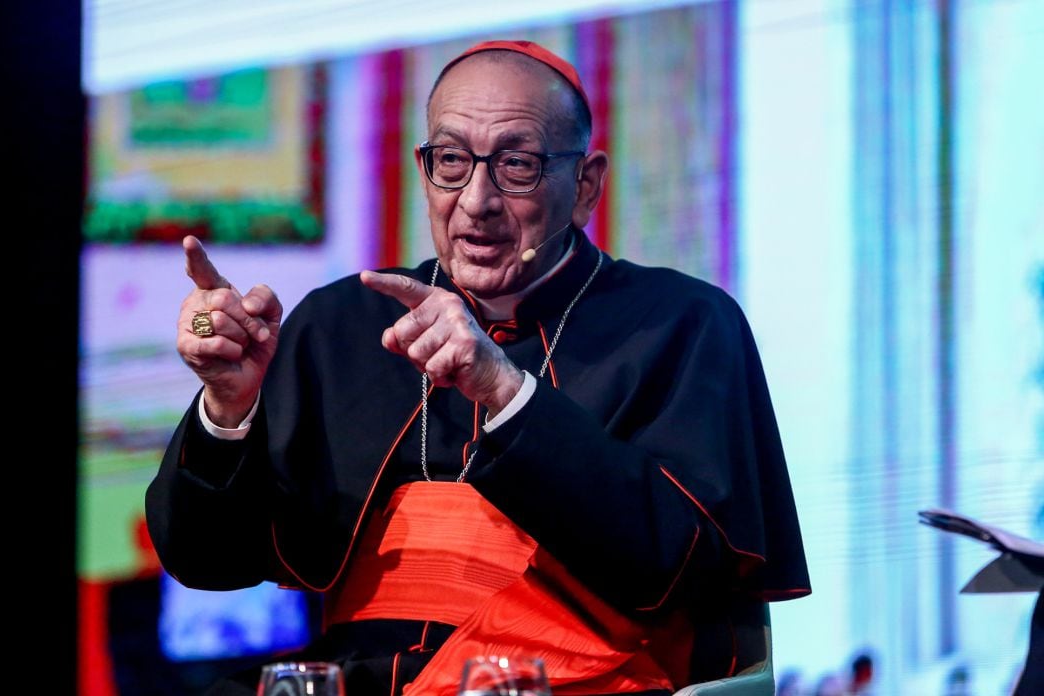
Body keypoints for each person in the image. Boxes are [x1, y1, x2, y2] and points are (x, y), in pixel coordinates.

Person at [146, 40, 811, 696]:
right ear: (424, 167)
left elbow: (683, 571)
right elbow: (207, 562)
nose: (477, 200)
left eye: (517, 164)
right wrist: (229, 409)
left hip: (572, 682)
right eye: (452, 161)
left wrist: (501, 386)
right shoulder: (342, 320)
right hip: (365, 676)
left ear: (585, 186)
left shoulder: (683, 323)